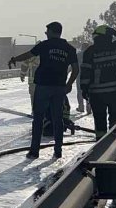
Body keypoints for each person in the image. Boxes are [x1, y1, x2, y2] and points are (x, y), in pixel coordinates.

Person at [9, 21, 79, 159]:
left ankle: (34, 151)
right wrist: (69, 84)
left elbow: (28, 55)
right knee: (58, 119)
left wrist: (14, 59)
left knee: (38, 119)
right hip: (59, 87)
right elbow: (76, 69)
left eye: (47, 31)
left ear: (53, 31)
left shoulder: (45, 45)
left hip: (43, 86)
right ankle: (58, 151)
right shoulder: (69, 48)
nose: (46, 33)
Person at [79, 25, 116, 139]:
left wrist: (84, 89)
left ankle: (100, 144)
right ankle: (114, 143)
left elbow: (85, 73)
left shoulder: (90, 51)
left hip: (97, 94)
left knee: (99, 121)